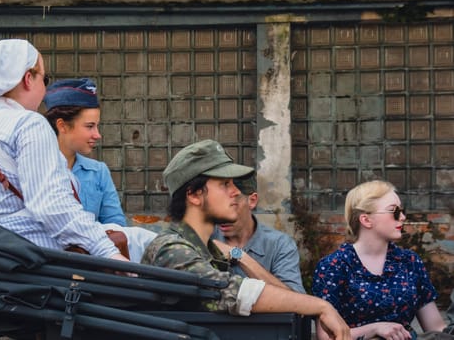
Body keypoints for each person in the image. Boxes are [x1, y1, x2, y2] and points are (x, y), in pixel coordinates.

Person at [141, 139, 351, 340]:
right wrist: (321, 306)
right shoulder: (171, 249)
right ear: (194, 195)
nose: (235, 192)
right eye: (225, 184)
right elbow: (229, 291)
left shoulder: (208, 249)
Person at [0, 39, 128, 262]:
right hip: (33, 269)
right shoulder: (28, 124)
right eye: (44, 79)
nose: (45, 88)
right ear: (28, 79)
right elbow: (51, 206)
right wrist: (108, 251)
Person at [312, 180, 446, 340]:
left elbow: (436, 328)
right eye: (394, 212)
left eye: (402, 211)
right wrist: (374, 329)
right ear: (366, 220)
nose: (402, 217)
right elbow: (326, 336)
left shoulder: (409, 261)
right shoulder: (333, 266)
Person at [43, 77, 156, 262]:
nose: (97, 134)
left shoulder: (98, 172)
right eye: (89, 126)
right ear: (62, 125)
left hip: (96, 268)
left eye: (97, 126)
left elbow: (117, 229)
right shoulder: (37, 170)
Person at [211, 174, 306, 293]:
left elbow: (297, 300)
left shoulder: (279, 244)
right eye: (217, 206)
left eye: (232, 205)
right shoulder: (205, 237)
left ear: (252, 200)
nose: (222, 216)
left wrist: (239, 256)